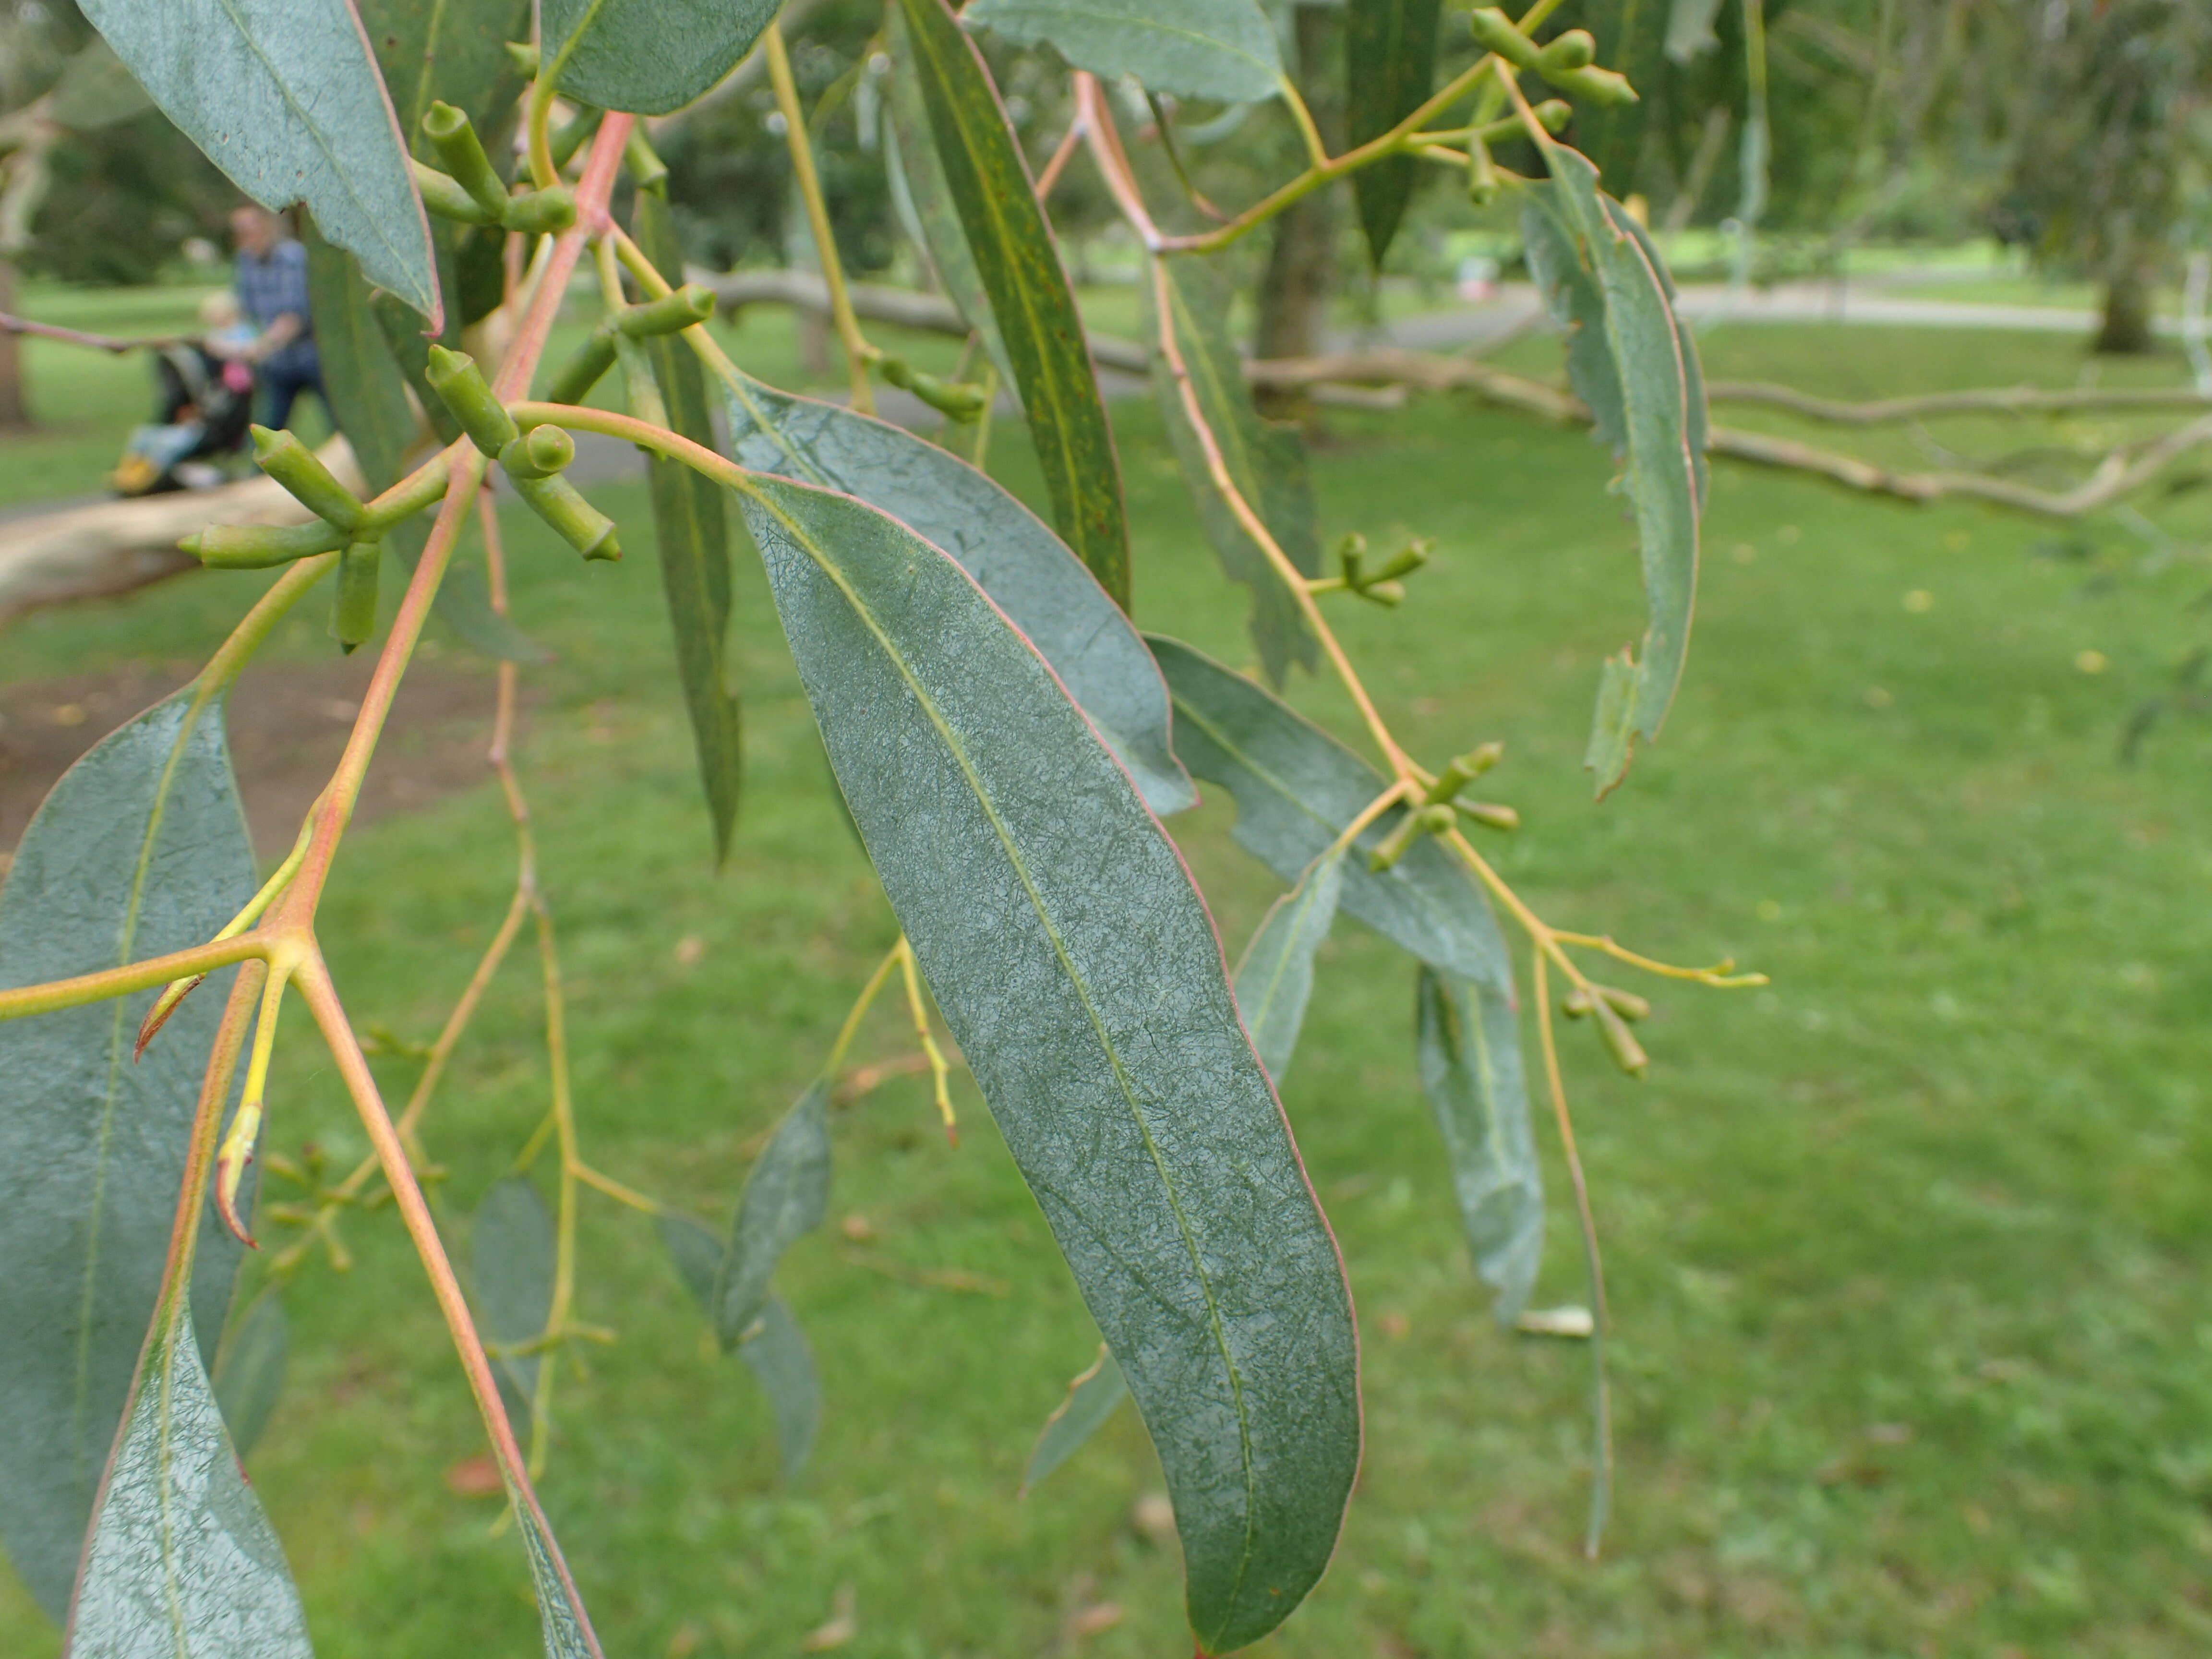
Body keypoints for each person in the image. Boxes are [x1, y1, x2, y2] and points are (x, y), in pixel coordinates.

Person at [228, 204, 323, 431]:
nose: (247, 238)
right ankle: (257, 469)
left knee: (345, 426)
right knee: (268, 428)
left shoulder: (292, 257)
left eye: (250, 230)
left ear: (266, 226)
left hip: (313, 357)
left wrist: (261, 346)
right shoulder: (245, 261)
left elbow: (294, 317)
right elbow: (243, 309)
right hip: (278, 362)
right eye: (240, 233)